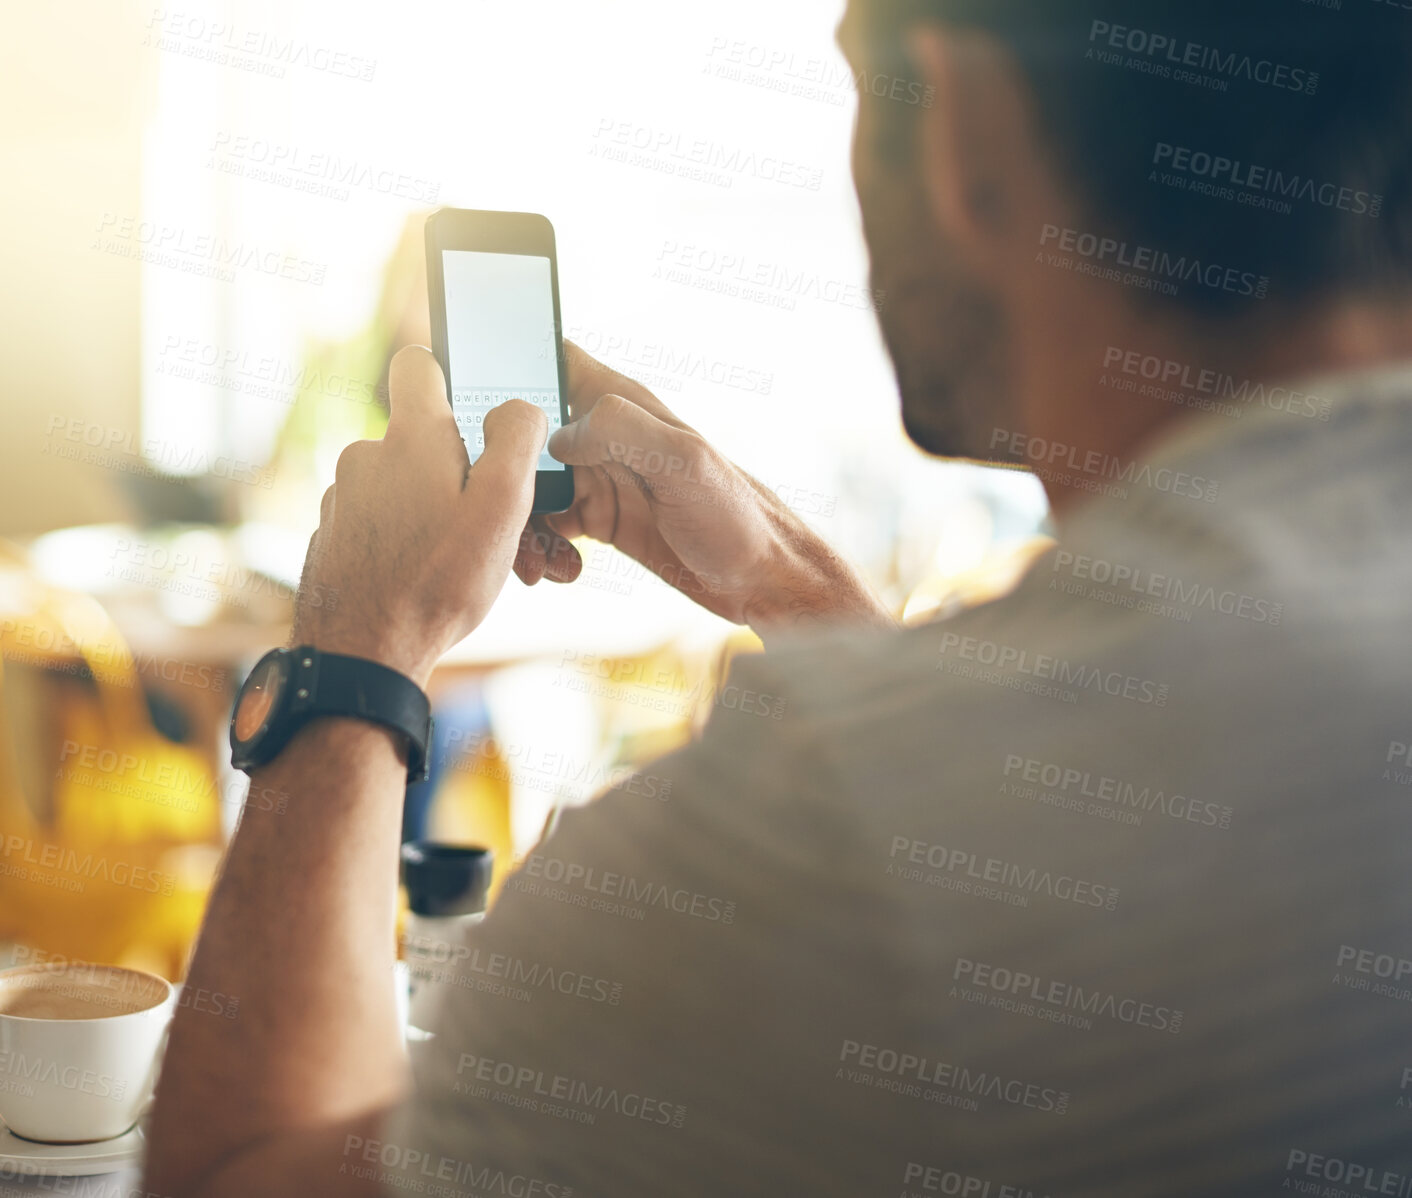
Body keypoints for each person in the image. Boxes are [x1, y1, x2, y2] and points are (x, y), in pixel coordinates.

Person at [147, 0, 1412, 1194]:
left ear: (964, 126)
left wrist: (360, 645)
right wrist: (794, 583)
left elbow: (236, 1173)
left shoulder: (799, 840)